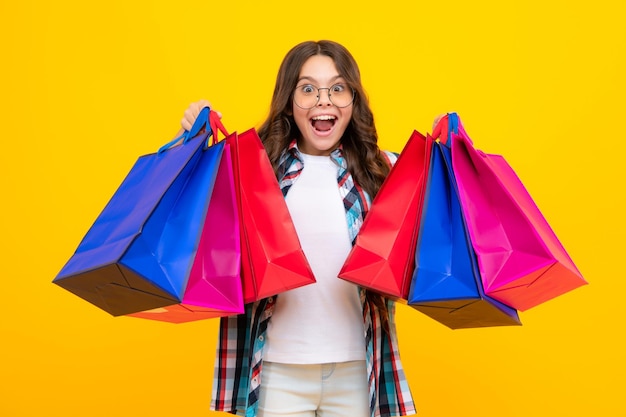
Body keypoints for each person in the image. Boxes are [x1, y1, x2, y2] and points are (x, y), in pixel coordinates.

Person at [181, 40, 422, 417]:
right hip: (278, 371)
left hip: (357, 371)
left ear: (353, 102)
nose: (323, 100)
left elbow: (432, 241)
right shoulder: (253, 171)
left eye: (337, 88)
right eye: (308, 88)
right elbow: (197, 222)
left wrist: (449, 155)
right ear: (290, 102)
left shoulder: (387, 172)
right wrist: (196, 142)